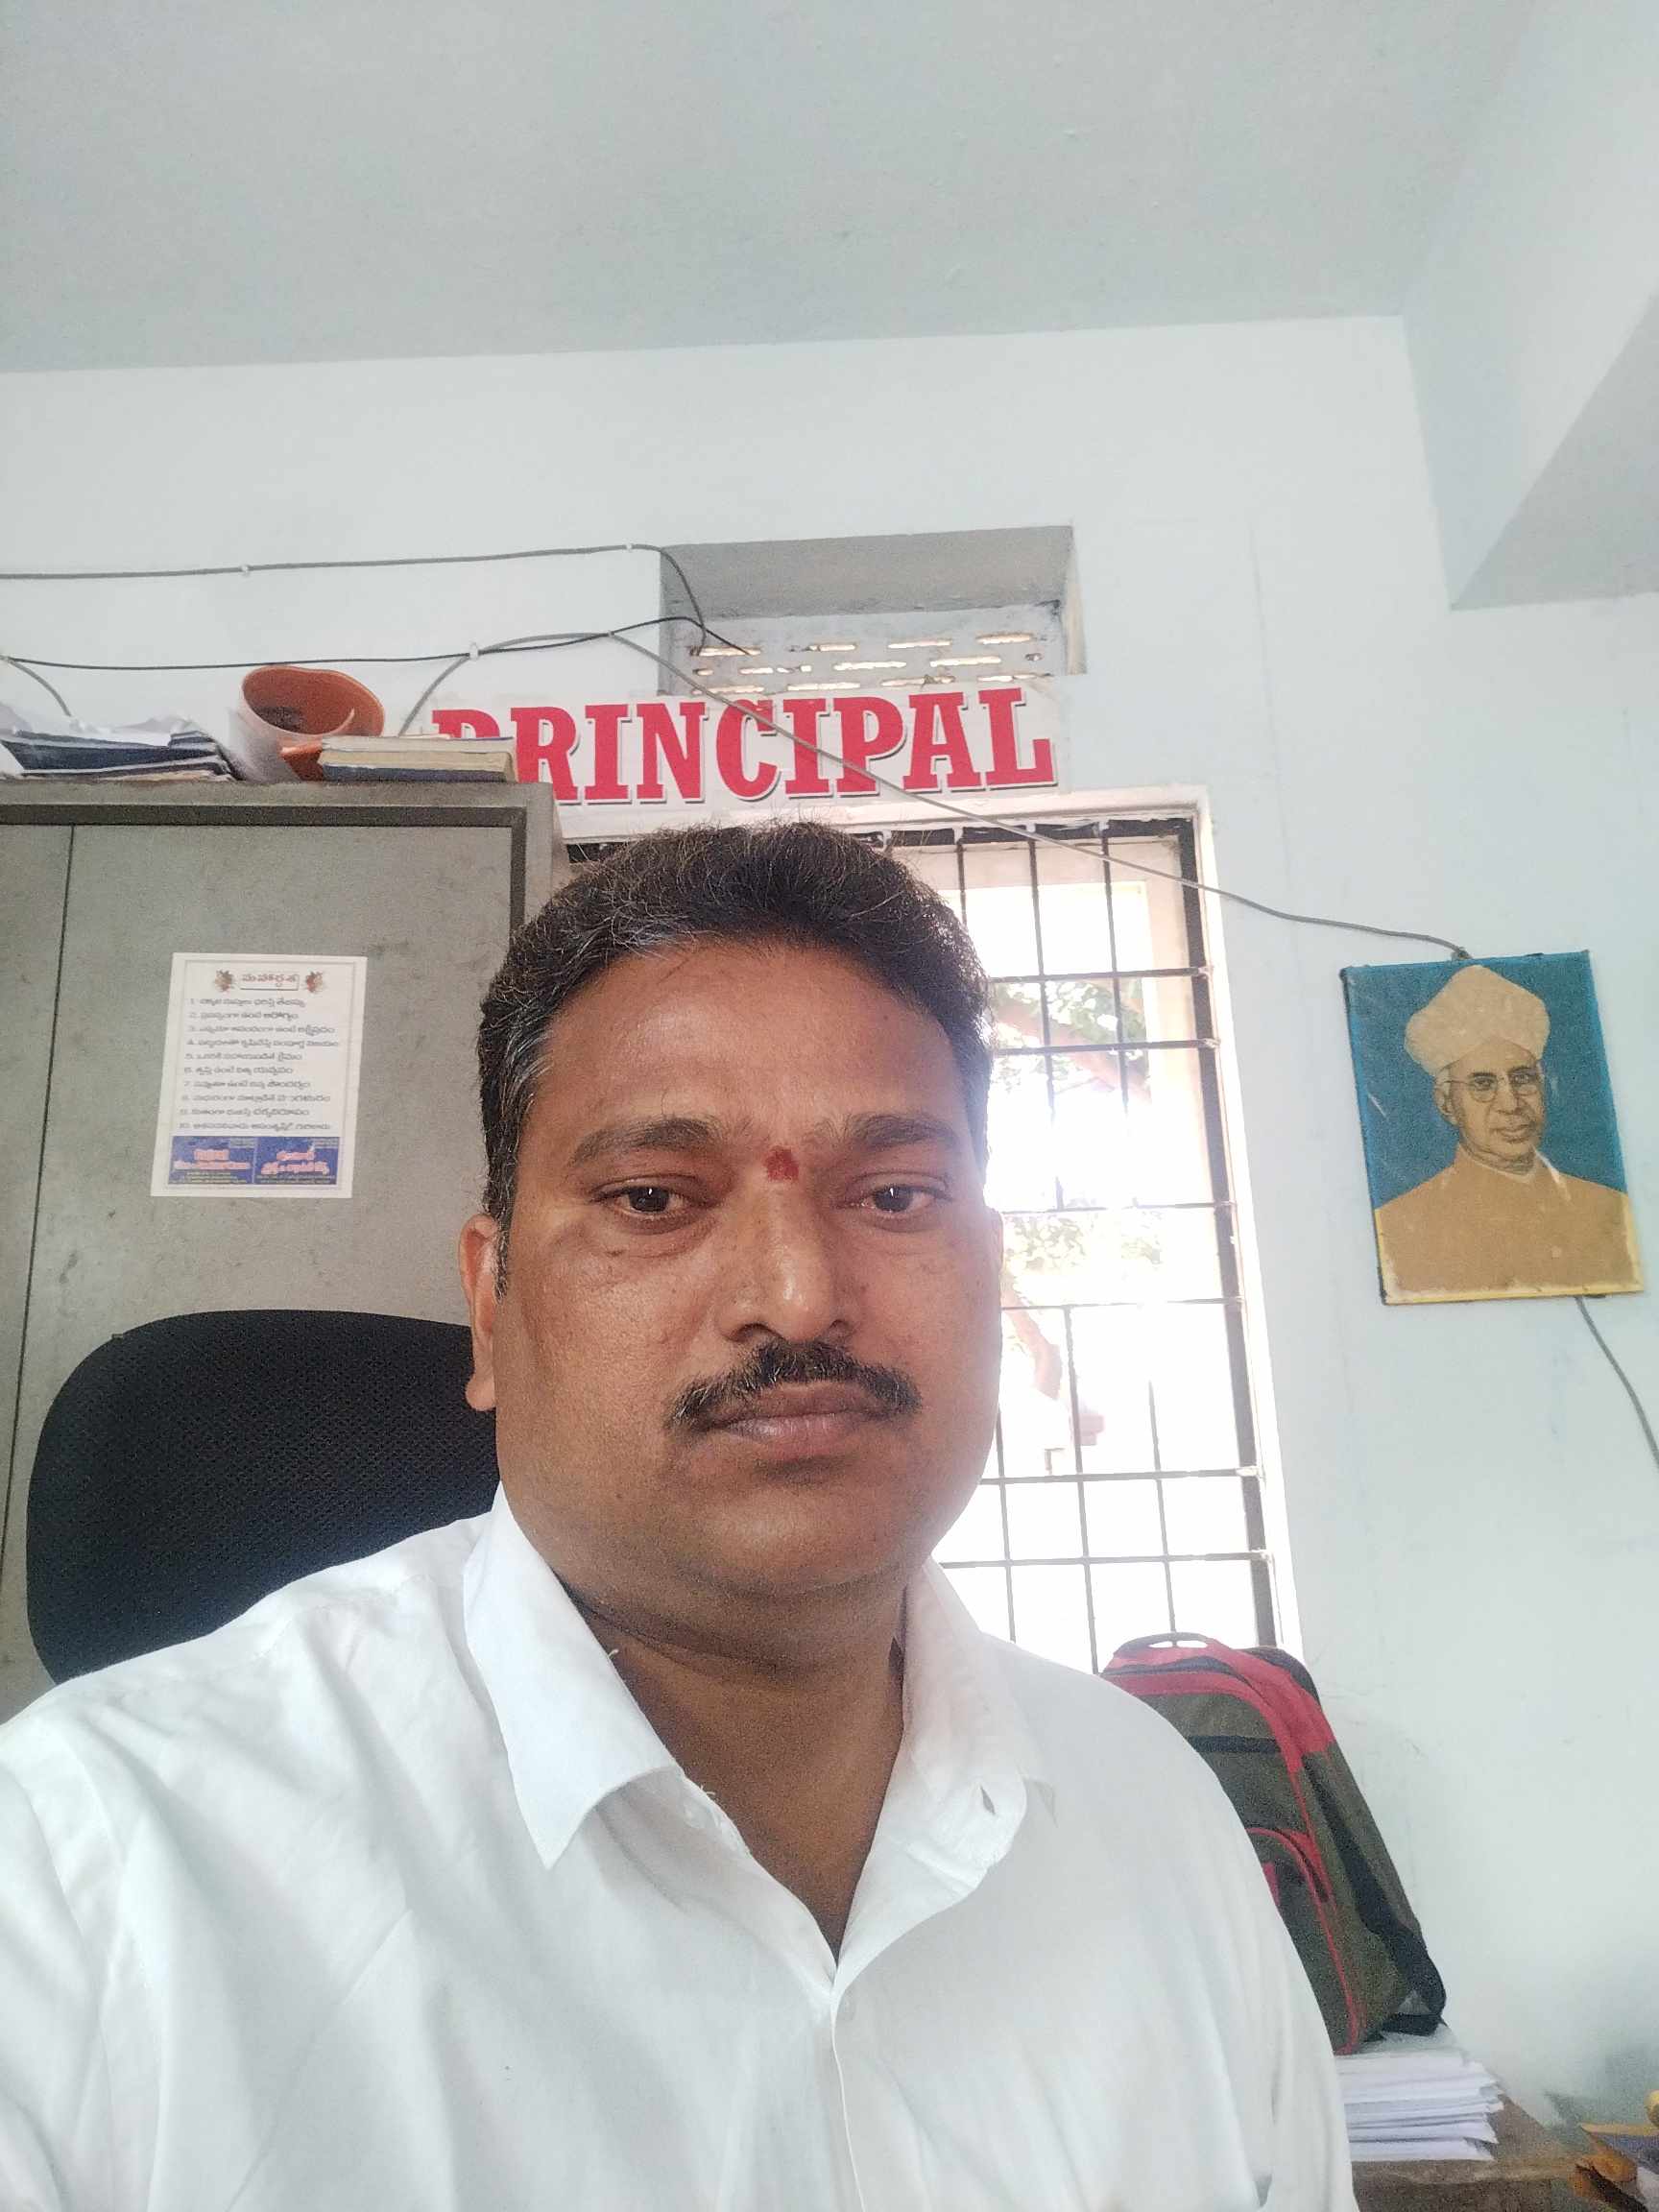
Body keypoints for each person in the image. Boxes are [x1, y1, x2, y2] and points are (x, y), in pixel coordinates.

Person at [0, 822, 1353, 2210]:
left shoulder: (1155, 1822)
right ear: (490, 1304)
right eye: (653, 1198)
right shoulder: (84, 1873)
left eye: (894, 1195)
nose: (798, 1295)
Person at [1372, 964, 1640, 1303]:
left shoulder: (1609, 1208)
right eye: (1482, 1084)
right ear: (1447, 1104)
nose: (1511, 1104)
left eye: (1522, 1078)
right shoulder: (1398, 1227)